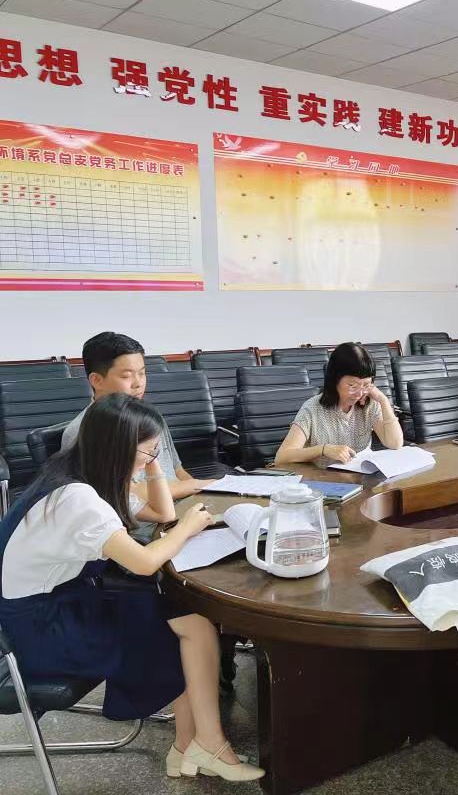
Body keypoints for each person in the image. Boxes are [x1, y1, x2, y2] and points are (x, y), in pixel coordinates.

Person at [0, 394, 263, 781]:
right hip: (38, 632)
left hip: (58, 602)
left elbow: (163, 513)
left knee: (183, 614)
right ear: (117, 448)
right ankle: (202, 746)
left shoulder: (82, 471)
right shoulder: (77, 499)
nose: (152, 458)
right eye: (148, 451)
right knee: (175, 622)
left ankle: (193, 746)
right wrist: (190, 528)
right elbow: (143, 561)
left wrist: (151, 462)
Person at [60, 332, 217, 539]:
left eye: (142, 373)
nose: (138, 383)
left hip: (180, 512)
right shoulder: (84, 432)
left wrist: (202, 497)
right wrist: (197, 485)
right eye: (127, 376)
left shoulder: (147, 416)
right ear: (97, 380)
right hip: (143, 531)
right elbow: (123, 494)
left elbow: (177, 470)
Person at [275, 342, 403, 466]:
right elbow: (281, 457)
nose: (359, 393)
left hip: (361, 476)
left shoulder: (369, 404)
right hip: (324, 477)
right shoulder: (312, 409)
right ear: (334, 380)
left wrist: (383, 400)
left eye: (366, 385)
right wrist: (323, 449)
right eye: (352, 385)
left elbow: (395, 443)